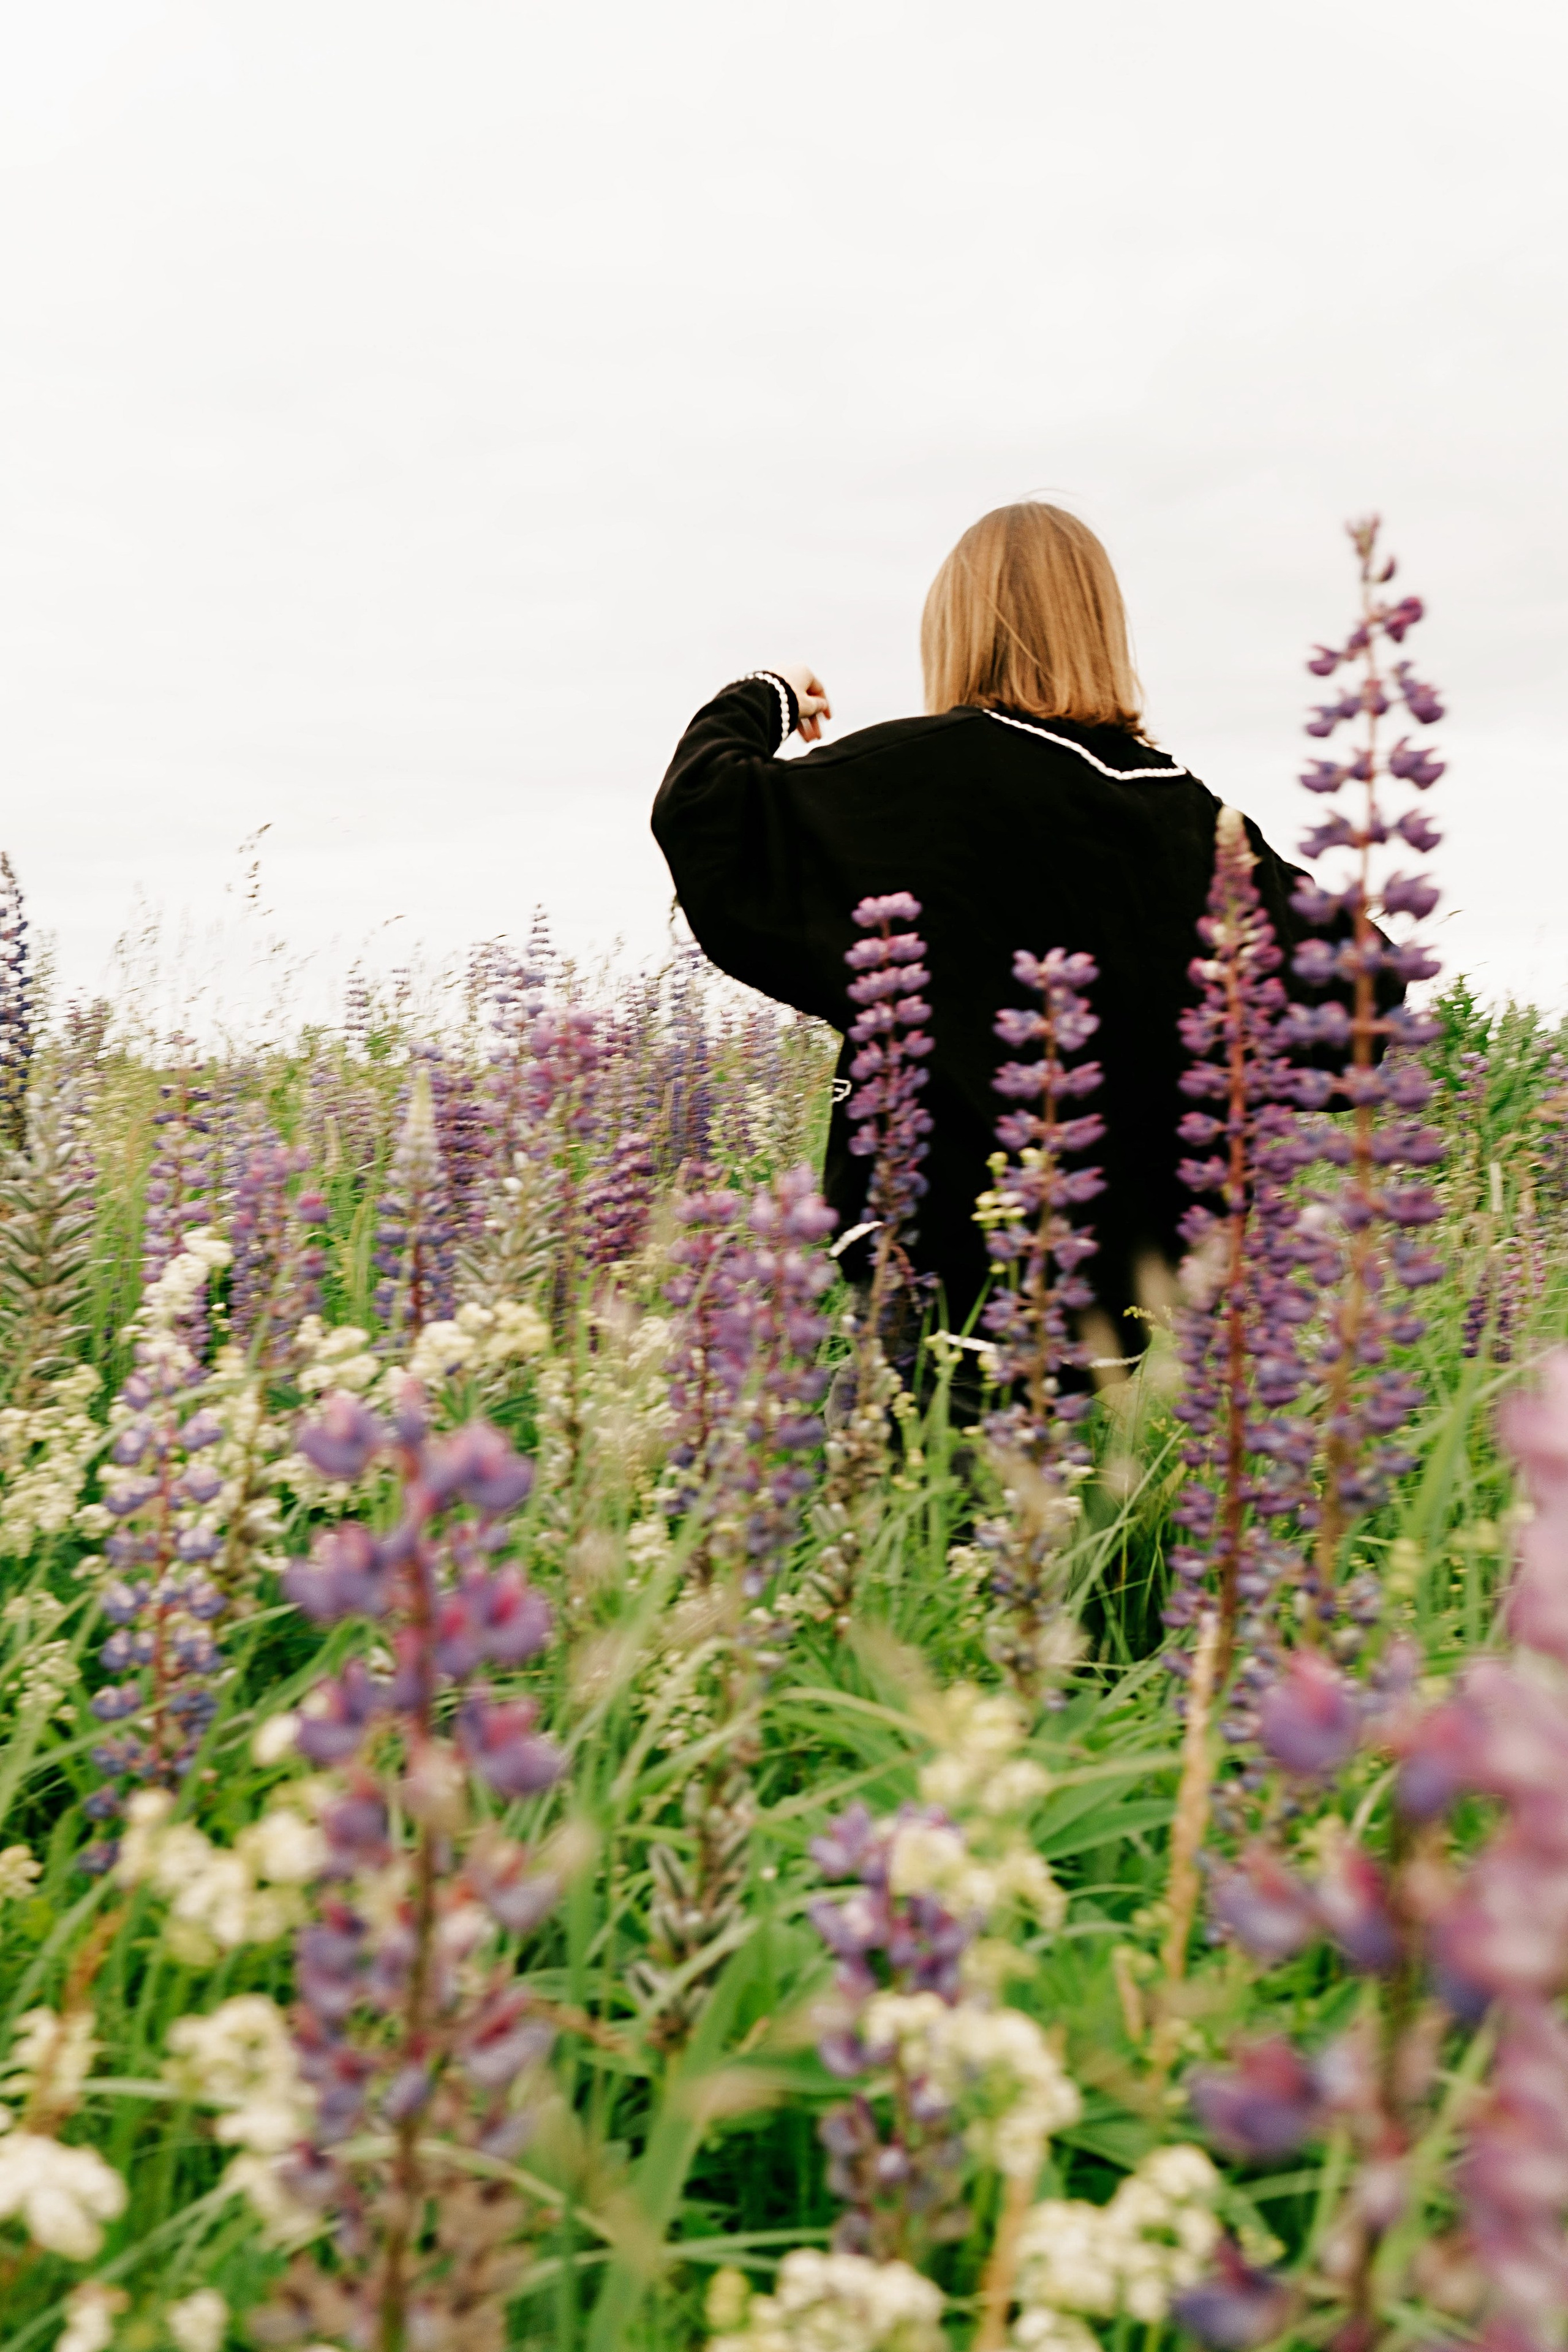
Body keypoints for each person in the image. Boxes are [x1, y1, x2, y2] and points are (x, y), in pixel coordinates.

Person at [651, 499, 1390, 1367]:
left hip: (937, 1284)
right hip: (1125, 1318)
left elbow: (706, 810)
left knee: (911, 1459)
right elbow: (1363, 992)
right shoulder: (1192, 820)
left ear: (959, 631)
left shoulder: (925, 777)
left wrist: (768, 694)